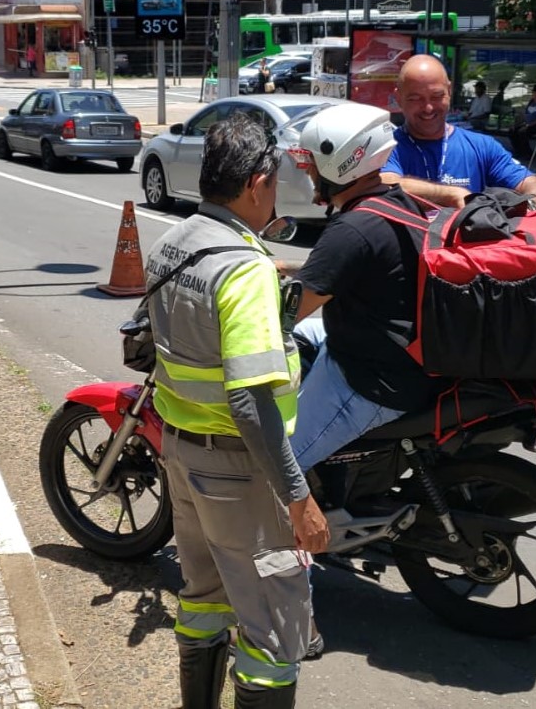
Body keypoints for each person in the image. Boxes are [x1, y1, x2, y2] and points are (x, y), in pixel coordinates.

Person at [145, 114, 329, 709]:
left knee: (202, 599)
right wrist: (298, 498)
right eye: (273, 184)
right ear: (256, 184)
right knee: (275, 635)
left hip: (181, 458)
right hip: (239, 474)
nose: (274, 194)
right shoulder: (244, 269)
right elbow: (250, 402)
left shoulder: (173, 242)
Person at [285, 103, 452, 473]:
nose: (309, 170)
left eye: (312, 161)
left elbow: (286, 312)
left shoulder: (351, 230)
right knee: (305, 335)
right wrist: (284, 266)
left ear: (338, 161)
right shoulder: (393, 204)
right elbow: (354, 269)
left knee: (272, 469)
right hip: (395, 352)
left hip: (370, 380)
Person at [380, 54, 536, 209]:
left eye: (436, 96)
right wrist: (451, 195)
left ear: (449, 92)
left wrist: (520, 210)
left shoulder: (482, 146)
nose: (428, 107)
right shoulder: (385, 147)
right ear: (399, 99)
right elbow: (385, 185)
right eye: (415, 98)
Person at [511, 83, 536, 157]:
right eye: (534, 93)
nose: (534, 94)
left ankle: (527, 153)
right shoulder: (531, 102)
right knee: (512, 131)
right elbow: (525, 114)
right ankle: (518, 150)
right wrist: (517, 124)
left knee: (522, 132)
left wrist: (528, 125)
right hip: (527, 123)